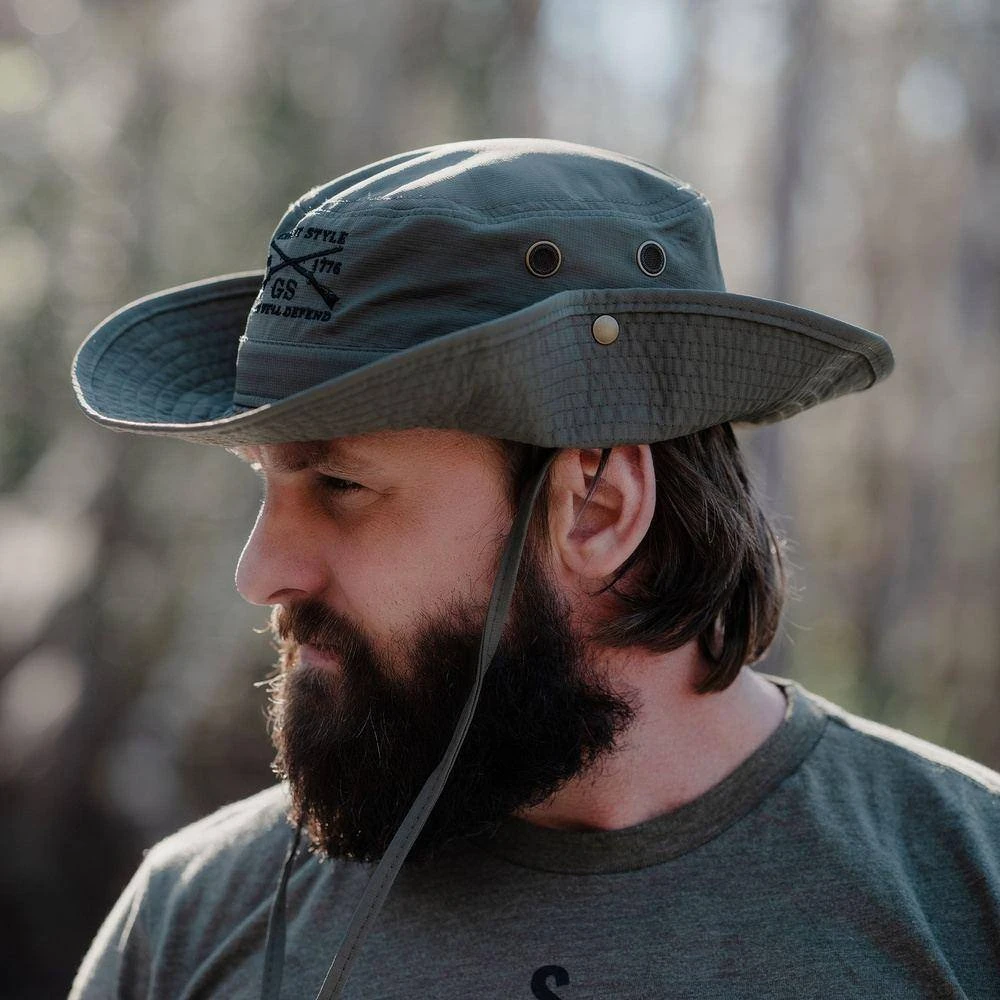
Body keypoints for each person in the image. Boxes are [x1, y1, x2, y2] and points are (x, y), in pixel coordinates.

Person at [69, 139, 999, 999]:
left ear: (598, 507)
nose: (260, 571)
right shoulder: (189, 924)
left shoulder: (967, 892)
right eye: (264, 482)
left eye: (341, 484)